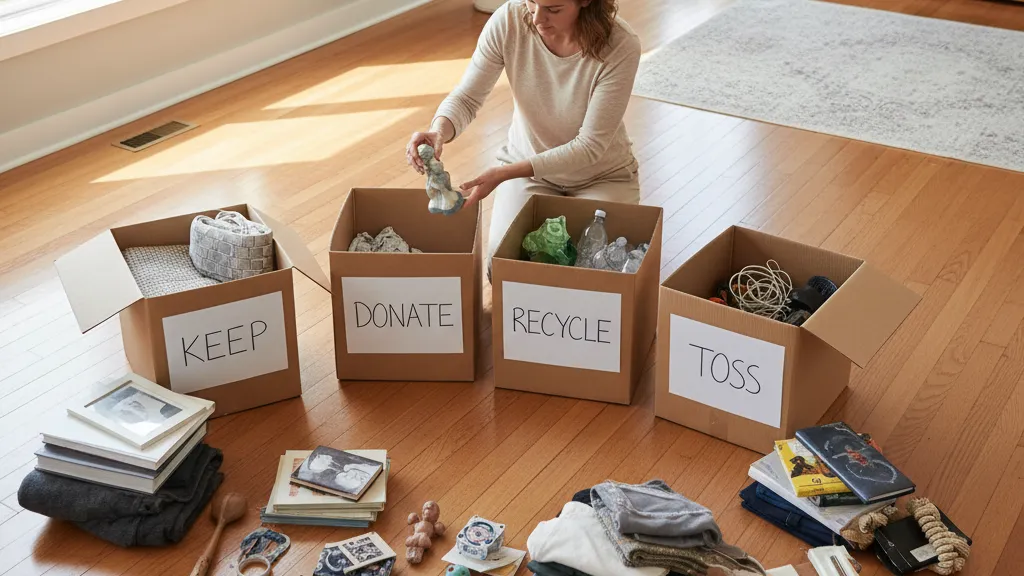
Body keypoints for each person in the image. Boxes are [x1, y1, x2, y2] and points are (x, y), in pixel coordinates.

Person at [406, 0, 641, 278]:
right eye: (531, 2)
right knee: (503, 269)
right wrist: (438, 130)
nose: (537, 18)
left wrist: (503, 174)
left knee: (597, 274)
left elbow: (589, 147)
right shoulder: (509, 21)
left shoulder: (620, 45)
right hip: (529, 172)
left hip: (601, 176)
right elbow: (467, 97)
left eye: (553, 9)